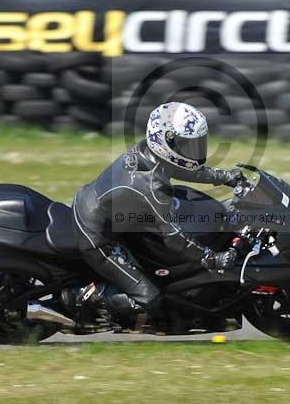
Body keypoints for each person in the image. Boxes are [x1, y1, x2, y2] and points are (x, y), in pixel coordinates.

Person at [69, 102, 244, 324]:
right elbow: (174, 237)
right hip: (96, 236)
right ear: (166, 141)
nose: (194, 151)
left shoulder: (149, 151)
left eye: (196, 144)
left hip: (106, 210)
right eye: (187, 145)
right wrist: (211, 259)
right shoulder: (151, 185)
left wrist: (225, 177)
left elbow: (183, 168)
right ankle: (81, 296)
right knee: (148, 299)